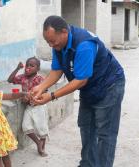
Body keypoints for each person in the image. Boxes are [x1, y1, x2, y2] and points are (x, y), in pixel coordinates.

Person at [31, 15, 125, 167]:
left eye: (52, 41)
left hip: (110, 85)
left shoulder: (84, 45)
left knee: (105, 133)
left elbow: (81, 80)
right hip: (90, 88)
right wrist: (40, 87)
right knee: (86, 127)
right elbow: (57, 70)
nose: (50, 45)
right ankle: (87, 164)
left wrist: (52, 95)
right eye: (48, 41)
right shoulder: (59, 45)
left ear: (64, 32)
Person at [7, 57, 49, 157]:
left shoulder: (39, 79)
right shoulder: (23, 77)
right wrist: (17, 68)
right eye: (27, 65)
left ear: (37, 69)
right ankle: (38, 143)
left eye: (32, 65)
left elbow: (45, 91)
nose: (28, 67)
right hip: (29, 107)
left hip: (39, 106)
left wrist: (32, 97)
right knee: (26, 127)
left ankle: (42, 147)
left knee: (41, 128)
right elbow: (10, 80)